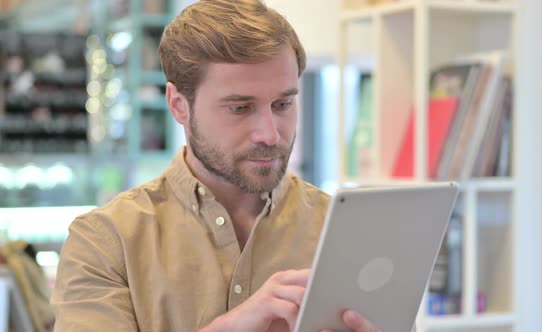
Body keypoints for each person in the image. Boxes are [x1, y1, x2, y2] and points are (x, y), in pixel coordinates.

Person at [51, 1, 381, 331]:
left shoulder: (341, 229)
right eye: (239, 108)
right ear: (179, 105)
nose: (270, 133)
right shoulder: (105, 243)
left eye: (283, 104)